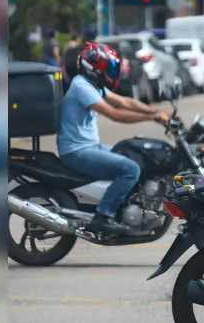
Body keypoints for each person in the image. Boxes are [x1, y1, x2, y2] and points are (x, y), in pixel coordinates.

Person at [57, 42, 172, 234]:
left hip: (90, 147)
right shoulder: (81, 86)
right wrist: (151, 117)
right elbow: (114, 114)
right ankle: (103, 216)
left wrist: (156, 111)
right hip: (77, 151)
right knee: (130, 169)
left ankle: (127, 206)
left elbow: (124, 101)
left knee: (137, 157)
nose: (111, 71)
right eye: (108, 67)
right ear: (94, 68)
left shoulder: (94, 85)